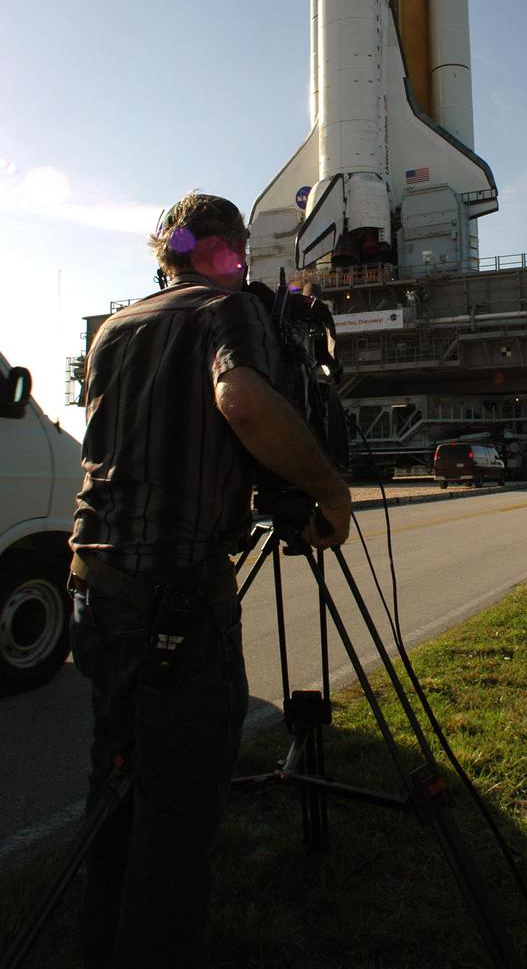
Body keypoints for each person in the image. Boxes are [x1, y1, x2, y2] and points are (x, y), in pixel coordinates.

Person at [68, 191, 351, 969]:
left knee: (116, 782)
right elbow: (242, 399)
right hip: (177, 592)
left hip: (95, 584)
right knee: (179, 803)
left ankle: (100, 941)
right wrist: (327, 488)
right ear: (229, 250)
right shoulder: (228, 310)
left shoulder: (116, 329)